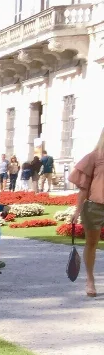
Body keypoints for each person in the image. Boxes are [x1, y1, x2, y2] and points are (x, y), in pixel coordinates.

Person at [69, 128, 104, 298]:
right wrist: (77, 210)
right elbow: (83, 188)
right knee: (92, 243)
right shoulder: (94, 157)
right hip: (94, 207)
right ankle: (90, 279)